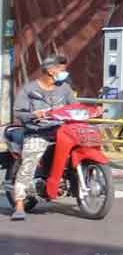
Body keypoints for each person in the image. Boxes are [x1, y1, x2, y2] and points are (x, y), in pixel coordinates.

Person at [8, 54, 76, 221]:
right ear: (51, 71)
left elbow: (74, 106)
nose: (64, 73)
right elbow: (18, 112)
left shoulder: (65, 88)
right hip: (38, 132)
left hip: (61, 131)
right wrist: (33, 114)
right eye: (61, 69)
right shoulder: (29, 89)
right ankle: (19, 204)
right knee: (29, 163)